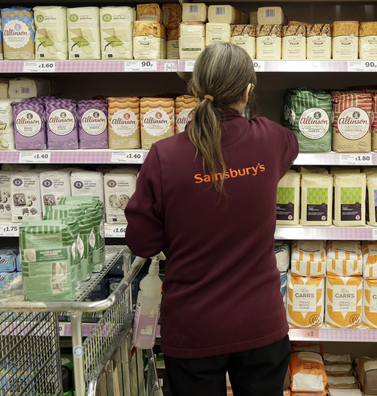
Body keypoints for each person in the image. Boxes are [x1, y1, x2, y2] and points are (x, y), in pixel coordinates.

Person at [124, 42, 299, 396]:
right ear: (248, 90)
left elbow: (143, 242)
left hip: (193, 327)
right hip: (259, 321)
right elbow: (288, 149)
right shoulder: (271, 140)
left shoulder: (164, 156)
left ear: (193, 90)